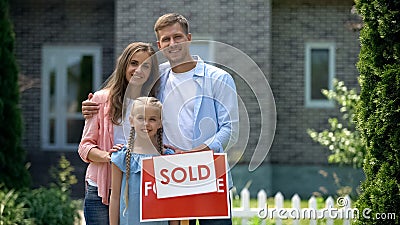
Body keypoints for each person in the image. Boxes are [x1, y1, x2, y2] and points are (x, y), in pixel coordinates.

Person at [82, 13, 239, 225]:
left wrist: (194, 154)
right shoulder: (157, 77)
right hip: (167, 176)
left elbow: (229, 130)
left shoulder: (218, 78)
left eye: (178, 37)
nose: (172, 43)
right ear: (160, 44)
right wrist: (93, 104)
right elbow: (125, 93)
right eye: (166, 39)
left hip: (205, 171)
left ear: (189, 38)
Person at [78, 42, 159, 225]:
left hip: (137, 190)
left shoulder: (153, 104)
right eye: (134, 63)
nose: (138, 70)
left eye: (146, 66)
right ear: (124, 65)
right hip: (102, 189)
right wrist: (112, 157)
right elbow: (85, 148)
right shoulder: (100, 100)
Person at [109, 97, 168, 225]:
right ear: (131, 121)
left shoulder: (167, 158)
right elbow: (114, 197)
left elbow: (173, 202)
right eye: (140, 118)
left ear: (160, 123)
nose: (146, 124)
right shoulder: (121, 157)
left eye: (152, 119)